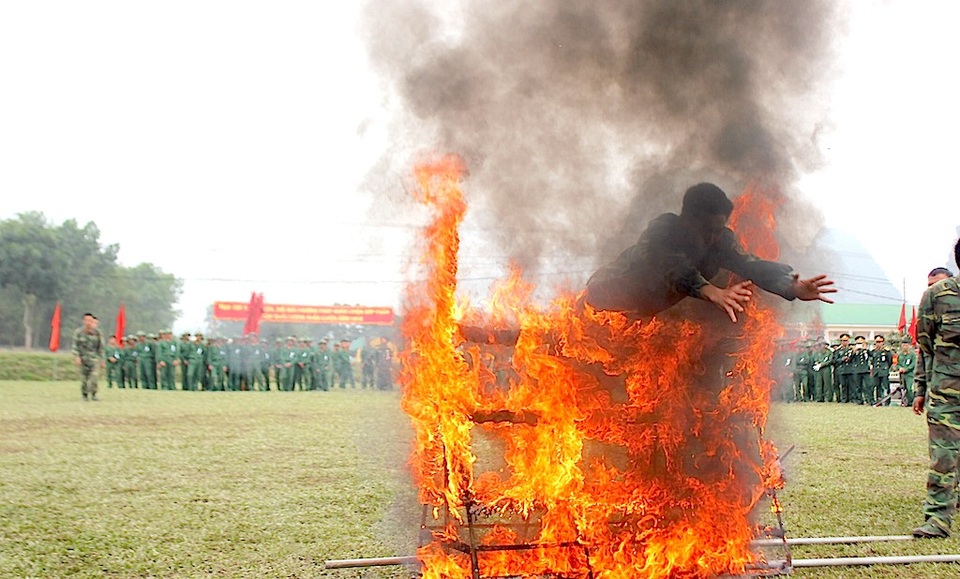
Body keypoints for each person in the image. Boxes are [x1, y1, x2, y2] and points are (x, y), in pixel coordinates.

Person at [584, 183, 836, 323]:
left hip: (636, 316)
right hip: (600, 300)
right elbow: (666, 263)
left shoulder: (719, 242)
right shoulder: (664, 228)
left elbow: (751, 265)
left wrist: (790, 286)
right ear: (688, 219)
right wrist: (709, 290)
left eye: (718, 229)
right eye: (708, 228)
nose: (713, 237)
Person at [911, 239, 960, 538]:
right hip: (948, 393)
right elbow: (925, 346)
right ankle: (938, 519)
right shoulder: (937, 296)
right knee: (943, 456)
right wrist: (922, 388)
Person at [72, 313, 105, 401]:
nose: (88, 322)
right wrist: (77, 357)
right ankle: (84, 395)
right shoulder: (78, 332)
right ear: (83, 321)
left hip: (94, 359)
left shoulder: (97, 333)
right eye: (86, 320)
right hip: (83, 359)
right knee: (84, 379)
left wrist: (102, 359)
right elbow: (75, 346)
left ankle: (94, 394)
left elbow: (101, 347)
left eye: (90, 320)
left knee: (94, 377)